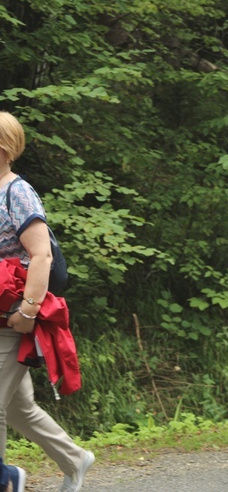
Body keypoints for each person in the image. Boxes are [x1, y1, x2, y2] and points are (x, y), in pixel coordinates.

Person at [0, 111, 94, 491]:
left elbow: (42, 255)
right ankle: (75, 459)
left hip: (14, 316)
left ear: (4, 147)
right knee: (20, 409)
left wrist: (28, 311)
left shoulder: (16, 192)